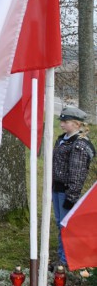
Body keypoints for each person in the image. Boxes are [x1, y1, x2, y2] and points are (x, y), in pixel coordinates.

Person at [52, 106, 95, 266]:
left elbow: (77, 173)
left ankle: (65, 261)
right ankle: (61, 258)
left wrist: (71, 197)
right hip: (57, 188)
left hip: (67, 191)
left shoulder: (79, 144)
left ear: (76, 124)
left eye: (66, 121)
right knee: (59, 223)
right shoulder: (63, 139)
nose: (62, 124)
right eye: (62, 121)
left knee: (66, 225)